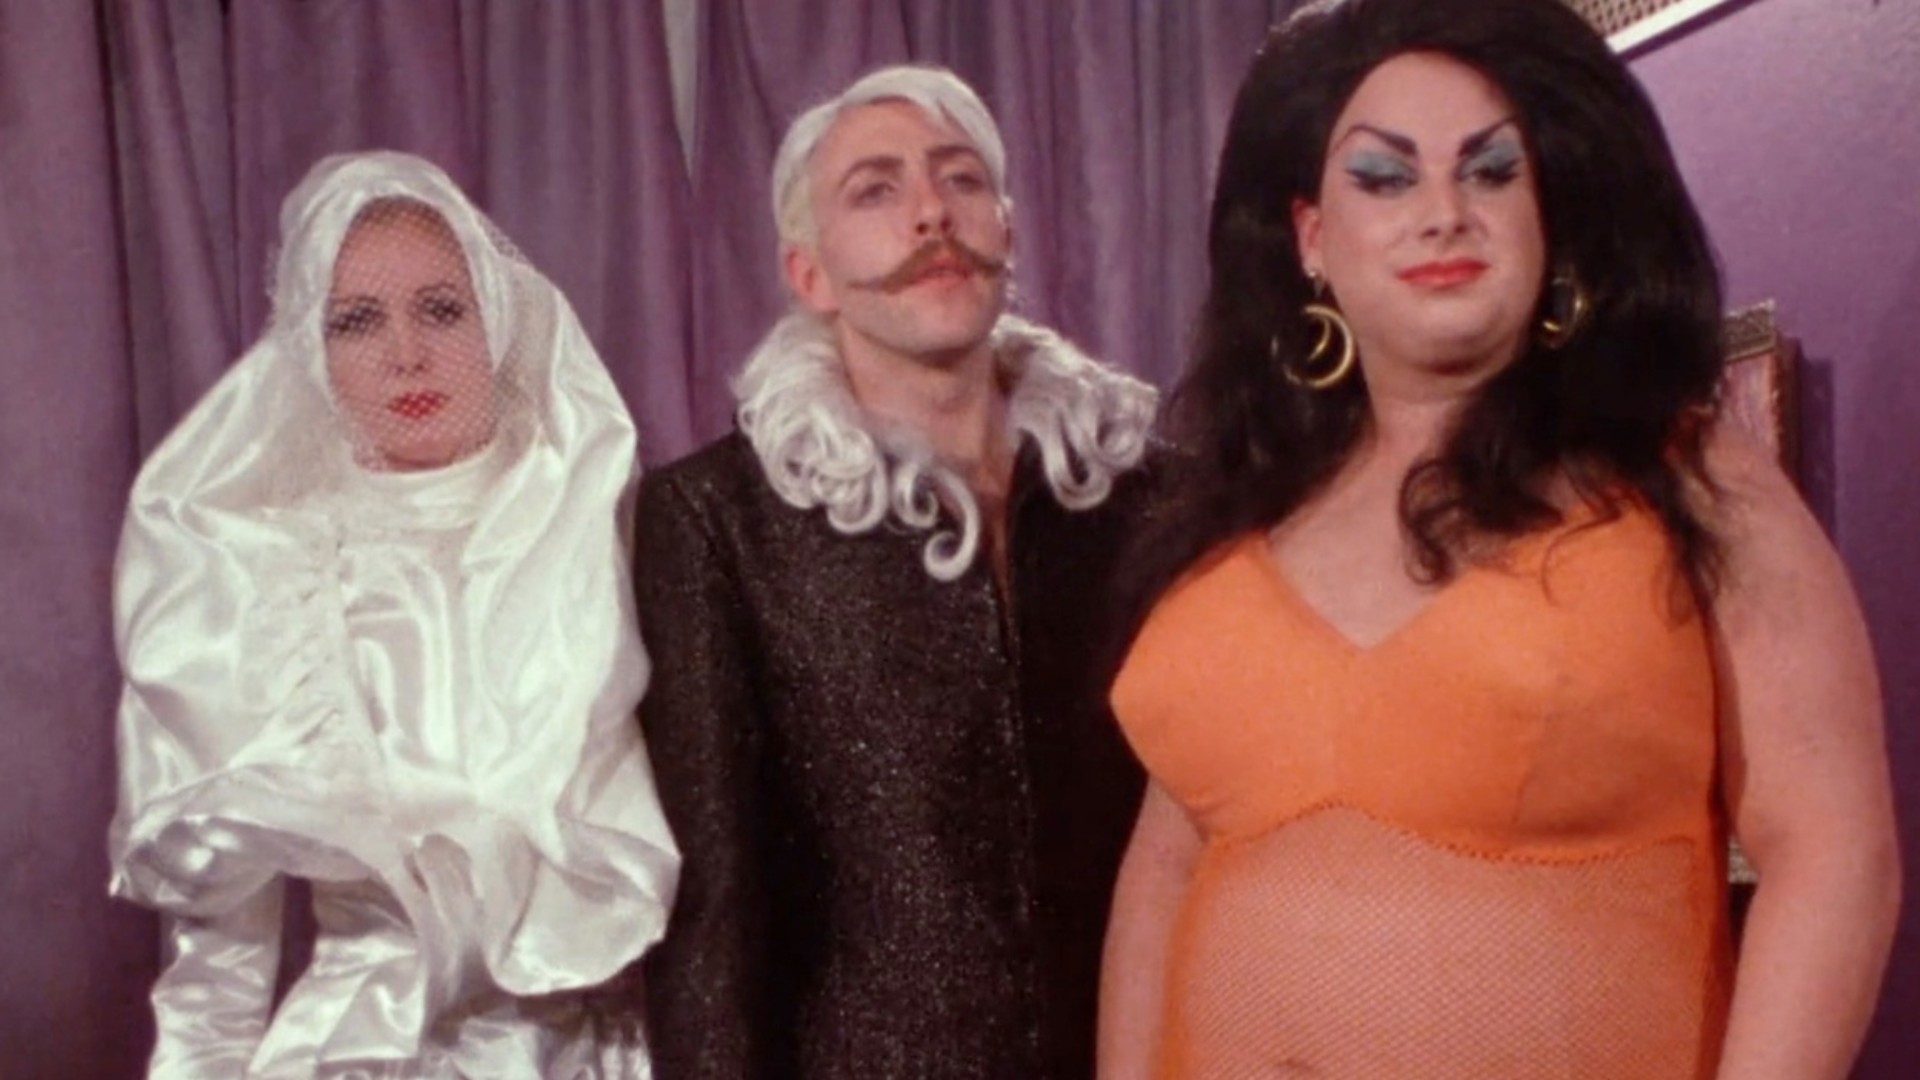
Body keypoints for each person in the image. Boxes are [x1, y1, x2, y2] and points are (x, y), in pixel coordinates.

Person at [1098, 2, 1902, 1079]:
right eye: (1384, 177)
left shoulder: (1685, 477)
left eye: (1490, 171)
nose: (1443, 214)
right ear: (1311, 239)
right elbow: (1165, 868)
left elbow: (1831, 850)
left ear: (1550, 216)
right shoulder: (1234, 516)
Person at [634, 64, 1159, 1080]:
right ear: (810, 275)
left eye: (960, 178)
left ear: (1007, 228)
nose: (931, 214)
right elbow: (713, 921)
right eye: (874, 190)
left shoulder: (1146, 495)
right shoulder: (717, 519)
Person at [109, 151, 680, 1079]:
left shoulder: (595, 522)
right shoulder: (254, 575)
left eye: (442, 310)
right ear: (311, 349)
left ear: (497, 317)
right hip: (359, 1051)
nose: (406, 354)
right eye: (357, 321)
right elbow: (216, 963)